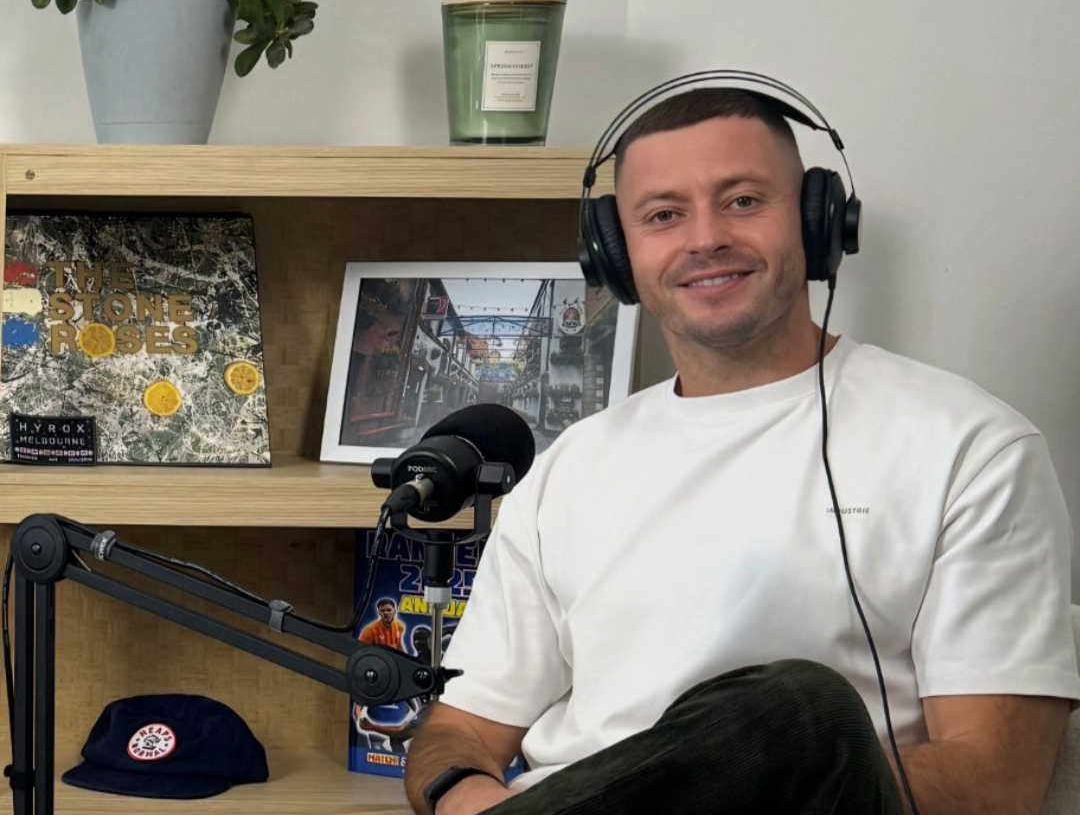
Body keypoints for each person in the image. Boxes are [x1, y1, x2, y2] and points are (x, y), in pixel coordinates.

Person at [402, 84, 1080, 815]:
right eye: (663, 215)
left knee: (801, 710)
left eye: (744, 202)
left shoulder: (972, 450)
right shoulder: (571, 468)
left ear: (819, 222)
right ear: (616, 255)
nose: (704, 239)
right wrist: (464, 796)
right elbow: (463, 726)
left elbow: (997, 783)